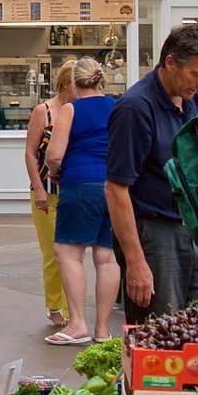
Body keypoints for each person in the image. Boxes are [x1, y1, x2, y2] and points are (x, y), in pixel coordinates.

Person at [107, 21, 198, 319]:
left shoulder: (191, 99)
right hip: (153, 234)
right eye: (197, 74)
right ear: (170, 62)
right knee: (160, 330)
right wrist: (135, 261)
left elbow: (196, 175)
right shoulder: (135, 108)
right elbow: (116, 188)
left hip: (189, 231)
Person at [45, 58, 121, 345]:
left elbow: (54, 155)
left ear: (74, 83)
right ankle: (103, 329)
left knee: (68, 252)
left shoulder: (70, 109)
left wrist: (54, 174)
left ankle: (77, 323)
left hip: (79, 183)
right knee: (108, 257)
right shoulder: (117, 107)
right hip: (113, 186)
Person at [22, 88, 69, 329]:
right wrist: (38, 188)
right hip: (47, 191)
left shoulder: (77, 112)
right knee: (53, 252)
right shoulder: (44, 112)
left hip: (73, 191)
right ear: (65, 85)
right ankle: (55, 307)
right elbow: (30, 153)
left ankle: (73, 308)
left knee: (73, 253)